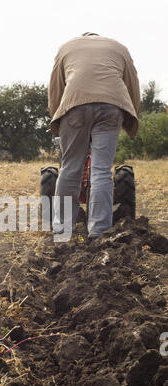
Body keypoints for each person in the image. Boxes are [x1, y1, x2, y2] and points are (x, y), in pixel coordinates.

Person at [48, 32, 140, 239]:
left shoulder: (66, 48)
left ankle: (62, 231)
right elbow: (132, 85)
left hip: (74, 105)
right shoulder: (119, 47)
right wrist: (132, 115)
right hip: (111, 108)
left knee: (70, 167)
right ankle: (99, 231)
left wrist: (57, 116)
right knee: (101, 170)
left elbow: (55, 88)